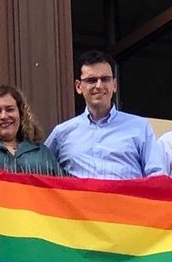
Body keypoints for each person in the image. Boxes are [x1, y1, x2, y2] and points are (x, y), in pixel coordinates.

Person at [44, 50, 163, 179]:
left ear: (114, 85)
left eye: (105, 79)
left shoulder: (140, 127)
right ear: (79, 86)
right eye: (91, 80)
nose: (99, 86)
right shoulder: (62, 133)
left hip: (125, 199)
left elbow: (157, 176)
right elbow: (39, 172)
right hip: (80, 199)